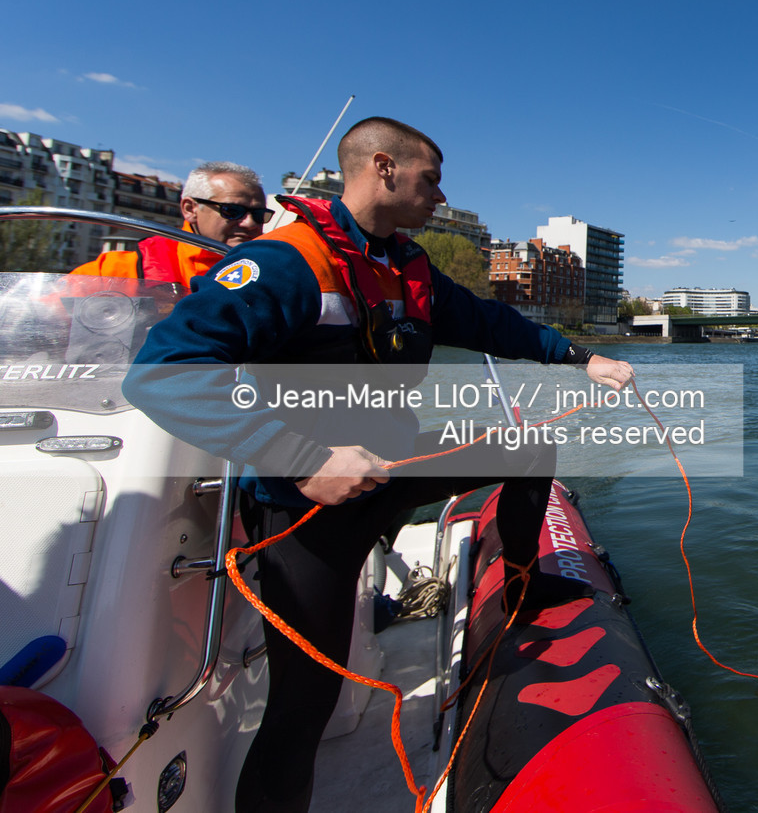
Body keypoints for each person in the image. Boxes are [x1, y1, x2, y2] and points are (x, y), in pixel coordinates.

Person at [124, 117, 634, 813]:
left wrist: (582, 358)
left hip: (390, 464)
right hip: (306, 501)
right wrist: (302, 460)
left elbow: (492, 323)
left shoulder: (408, 266)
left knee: (528, 446)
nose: (440, 198)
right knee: (305, 708)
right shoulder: (285, 263)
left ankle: (519, 590)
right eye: (431, 181)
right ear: (385, 168)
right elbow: (161, 374)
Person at [72, 161, 269, 285]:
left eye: (259, 214)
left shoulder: (273, 272)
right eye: (232, 211)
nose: (250, 223)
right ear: (190, 209)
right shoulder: (127, 270)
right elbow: (50, 313)